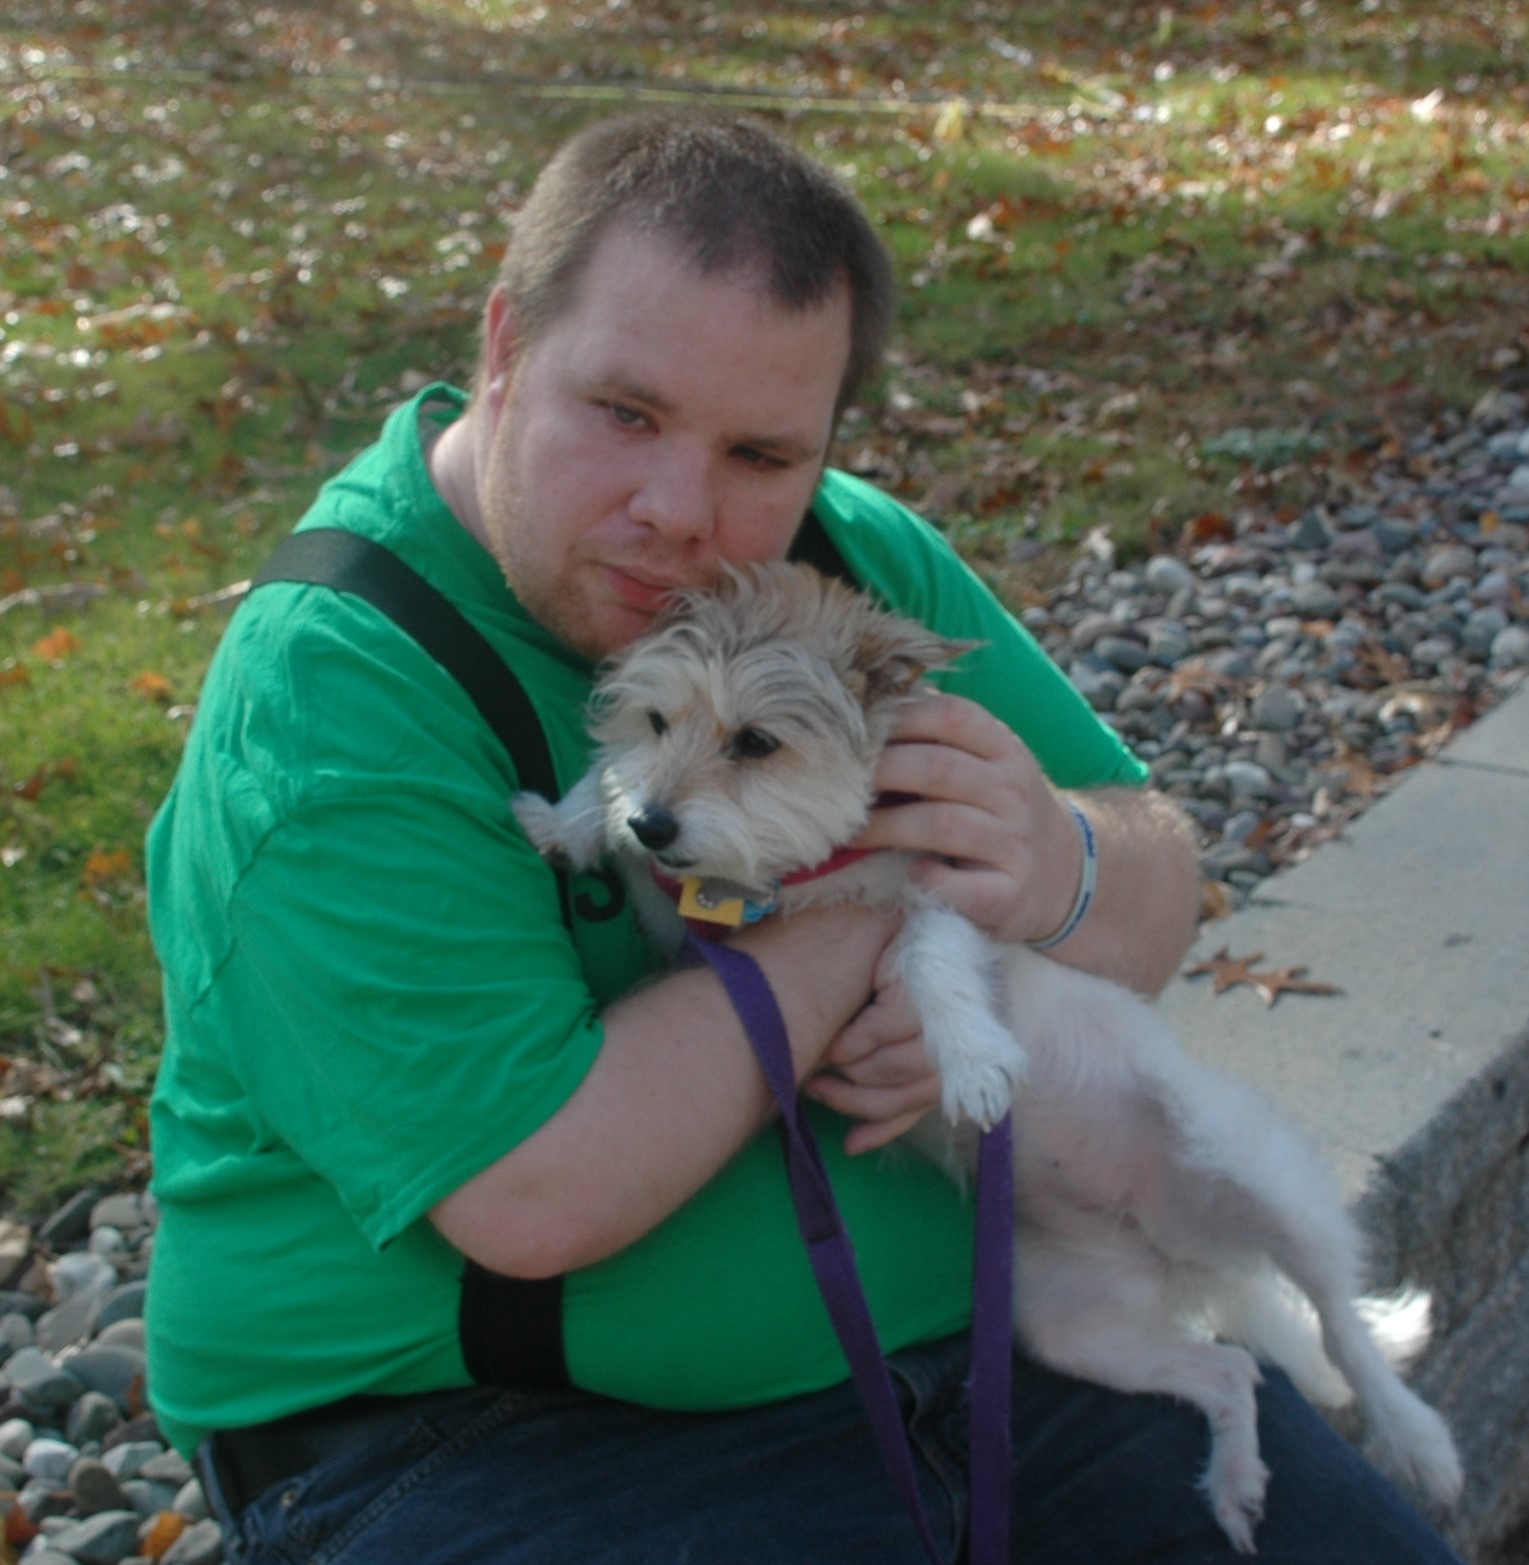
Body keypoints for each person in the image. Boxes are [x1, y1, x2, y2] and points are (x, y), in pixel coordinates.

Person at [144, 112, 1462, 1564]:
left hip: (1004, 1346)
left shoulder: (842, 559)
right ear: (505, 343)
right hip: (487, 1438)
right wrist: (867, 923)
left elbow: (1156, 882)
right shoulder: (338, 693)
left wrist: (1050, 852)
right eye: (625, 413)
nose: (681, 515)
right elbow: (533, 1192)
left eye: (763, 449)